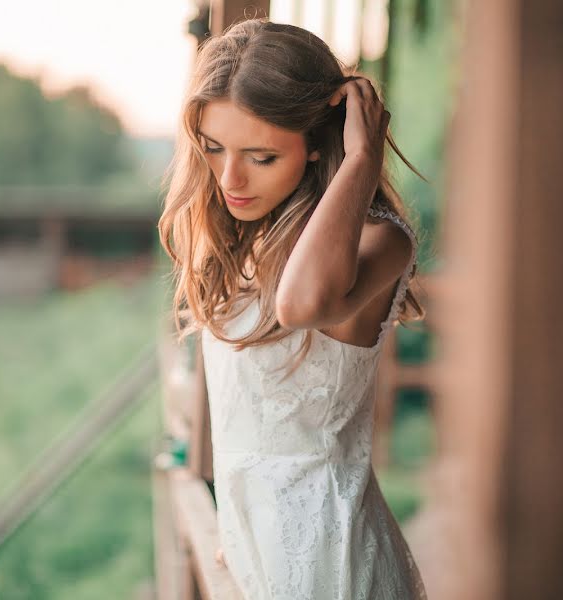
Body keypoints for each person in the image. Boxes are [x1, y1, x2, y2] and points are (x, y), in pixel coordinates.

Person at [158, 17, 429, 600]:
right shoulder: (249, 238)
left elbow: (303, 303)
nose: (230, 178)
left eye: (259, 156)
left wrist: (358, 160)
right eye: (214, 148)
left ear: (315, 143)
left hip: (329, 565)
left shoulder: (378, 241)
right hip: (257, 558)